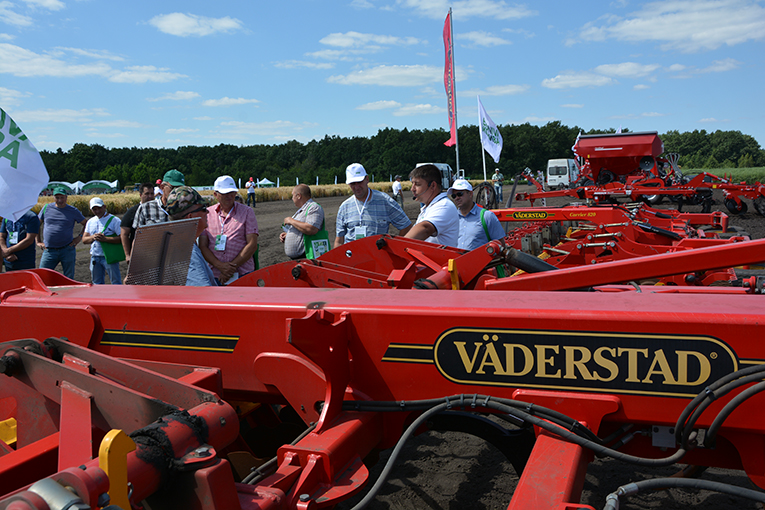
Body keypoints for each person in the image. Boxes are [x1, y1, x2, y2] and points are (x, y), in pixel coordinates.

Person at [334, 163, 411, 248]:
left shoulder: (385, 201)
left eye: (359, 182)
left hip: (377, 258)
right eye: (353, 183)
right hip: (352, 258)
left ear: (367, 179)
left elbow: (406, 226)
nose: (356, 187)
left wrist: (395, 247)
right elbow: (339, 241)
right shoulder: (344, 207)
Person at [199, 175, 259, 285]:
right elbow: (203, 245)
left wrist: (229, 269)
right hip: (214, 273)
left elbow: (252, 244)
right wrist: (220, 266)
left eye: (231, 192)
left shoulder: (247, 212)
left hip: (243, 273)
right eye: (224, 193)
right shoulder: (207, 214)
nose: (229, 196)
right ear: (216, 195)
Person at [165, 186, 217, 287]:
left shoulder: (174, 242)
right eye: (203, 208)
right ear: (191, 217)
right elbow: (202, 295)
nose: (207, 212)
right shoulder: (186, 251)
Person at [37, 186, 87, 279]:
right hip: (49, 250)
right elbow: (36, 224)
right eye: (57, 197)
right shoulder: (46, 208)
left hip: (67, 249)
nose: (60, 200)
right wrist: (38, 241)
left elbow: (86, 223)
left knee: (68, 278)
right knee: (42, 276)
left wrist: (79, 237)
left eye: (62, 197)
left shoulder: (73, 211)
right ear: (53, 197)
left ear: (66, 198)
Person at [405, 164, 459, 247]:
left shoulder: (444, 206)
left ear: (433, 185)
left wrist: (399, 245)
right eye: (412, 184)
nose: (412, 189)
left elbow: (425, 229)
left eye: (417, 184)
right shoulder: (428, 207)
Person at [448, 179, 506, 250]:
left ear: (470, 194)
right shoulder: (451, 218)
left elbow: (500, 245)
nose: (456, 198)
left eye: (460, 194)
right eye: (454, 196)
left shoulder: (487, 216)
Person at [82, 197, 122, 285]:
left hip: (110, 256)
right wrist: (93, 237)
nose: (97, 211)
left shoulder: (115, 220)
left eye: (99, 208)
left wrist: (105, 239)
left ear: (104, 207)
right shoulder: (90, 221)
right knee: (96, 283)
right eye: (94, 209)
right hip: (95, 256)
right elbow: (84, 240)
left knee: (116, 282)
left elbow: (122, 238)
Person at [280, 184, 325, 259]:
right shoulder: (303, 209)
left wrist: (291, 221)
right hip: (300, 258)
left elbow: (311, 229)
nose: (292, 198)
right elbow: (301, 229)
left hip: (308, 256)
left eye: (293, 195)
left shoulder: (314, 207)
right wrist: (288, 235)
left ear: (298, 196)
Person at [120, 182, 154, 263]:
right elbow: (124, 234)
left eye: (152, 194)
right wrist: (127, 255)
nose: (150, 196)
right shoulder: (132, 212)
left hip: (153, 252)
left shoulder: (158, 210)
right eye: (147, 194)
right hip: (137, 253)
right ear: (140, 195)